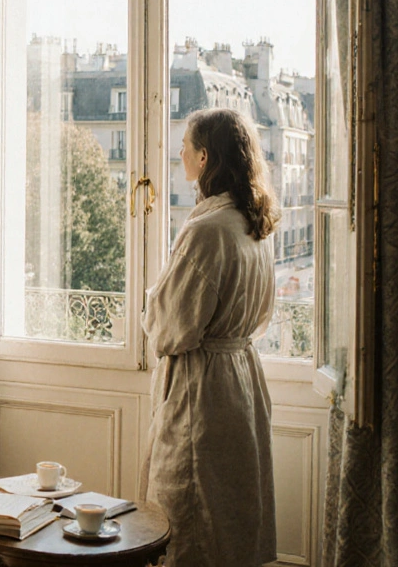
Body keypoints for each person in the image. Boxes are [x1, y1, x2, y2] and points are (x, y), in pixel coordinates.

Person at [140, 107, 279, 566]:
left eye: (185, 145)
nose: (178, 152)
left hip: (202, 389)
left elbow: (168, 328)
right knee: (232, 518)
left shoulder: (207, 231)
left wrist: (153, 300)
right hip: (240, 384)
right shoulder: (253, 225)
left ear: (204, 157)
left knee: (190, 518)